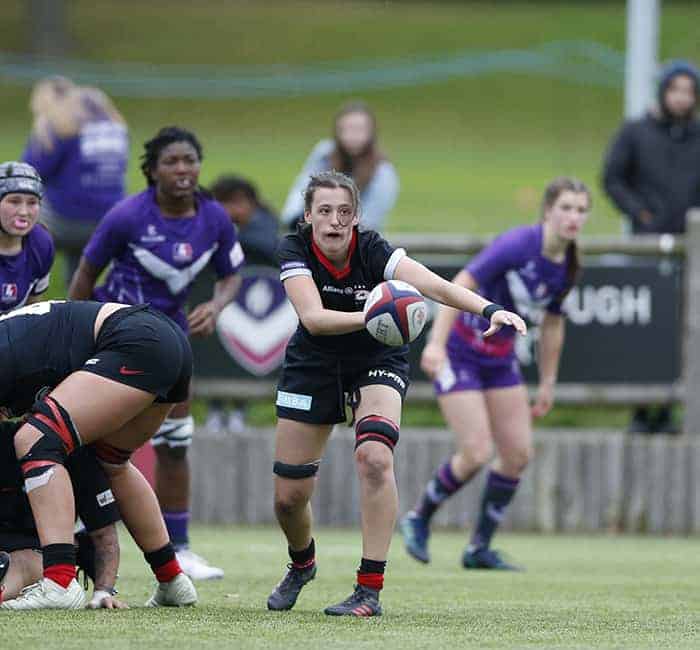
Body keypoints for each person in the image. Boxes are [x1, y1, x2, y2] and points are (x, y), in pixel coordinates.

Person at [267, 171, 526, 617]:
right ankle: (302, 563)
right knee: (289, 497)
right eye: (324, 211)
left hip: (377, 358)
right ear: (308, 215)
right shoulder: (294, 249)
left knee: (375, 458)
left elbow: (434, 286)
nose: (334, 221)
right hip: (313, 363)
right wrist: (373, 312)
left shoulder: (372, 249)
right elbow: (312, 318)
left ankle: (368, 590)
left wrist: (491, 309)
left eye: (344, 212)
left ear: (357, 217)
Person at [68, 126, 244, 580]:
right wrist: (77, 336)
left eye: (190, 160)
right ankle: (71, 536)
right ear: (151, 171)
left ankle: (179, 547)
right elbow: (85, 275)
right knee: (87, 441)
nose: (182, 169)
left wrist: (218, 305)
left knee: (176, 445)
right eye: (172, 161)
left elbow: (231, 274)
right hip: (117, 338)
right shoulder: (126, 216)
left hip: (170, 343)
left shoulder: (215, 218)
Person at [400, 177, 591, 571]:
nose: (574, 217)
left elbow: (553, 323)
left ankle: (478, 548)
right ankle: (419, 516)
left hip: (501, 360)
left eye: (582, 210)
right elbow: (459, 285)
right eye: (567, 208)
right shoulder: (519, 244)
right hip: (461, 353)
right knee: (476, 452)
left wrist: (549, 380)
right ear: (547, 211)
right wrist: (435, 344)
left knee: (518, 454)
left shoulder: (570, 263)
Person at [0, 299, 198, 610]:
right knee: (112, 461)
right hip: (163, 339)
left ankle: (60, 582)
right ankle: (172, 579)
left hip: (136, 340)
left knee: (35, 441)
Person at [603, 59, 700, 434]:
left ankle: (674, 407)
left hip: (691, 249)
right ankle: (644, 410)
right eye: (675, 90)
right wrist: (641, 214)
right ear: (663, 91)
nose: (681, 98)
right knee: (647, 329)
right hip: (647, 248)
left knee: (684, 328)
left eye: (688, 92)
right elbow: (613, 178)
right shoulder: (636, 132)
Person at [0, 419, 124, 609]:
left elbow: (104, 535)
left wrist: (103, 591)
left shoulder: (75, 454)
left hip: (33, 559)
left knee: (24, 562)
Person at [21, 76, 128, 287]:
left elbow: (28, 172)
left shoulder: (59, 125)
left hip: (64, 222)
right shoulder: (116, 126)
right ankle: (78, 302)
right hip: (109, 220)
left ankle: (16, 290)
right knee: (80, 250)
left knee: (12, 212)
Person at [206, 174, 280, 433]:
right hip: (221, 310)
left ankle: (239, 409)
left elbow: (268, 247)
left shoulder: (264, 225)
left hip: (253, 309)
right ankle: (215, 407)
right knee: (217, 354)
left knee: (243, 356)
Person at [280, 101, 399, 232]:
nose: (353, 135)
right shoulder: (324, 154)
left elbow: (369, 221)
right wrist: (294, 218)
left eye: (359, 129)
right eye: (347, 129)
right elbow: (302, 188)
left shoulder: (383, 172)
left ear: (371, 133)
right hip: (312, 233)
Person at [0, 162, 54, 313]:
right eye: (14, 201)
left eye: (32, 202)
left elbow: (32, 311)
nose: (24, 212)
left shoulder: (41, 244)